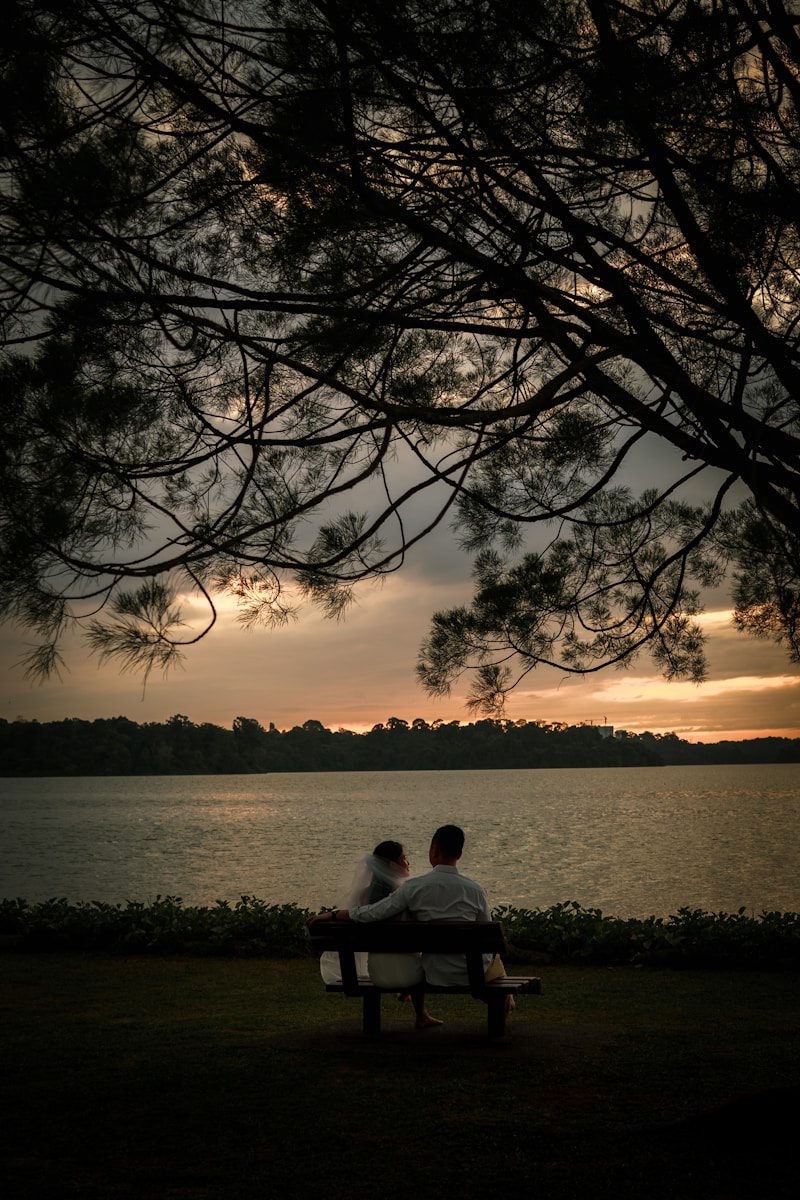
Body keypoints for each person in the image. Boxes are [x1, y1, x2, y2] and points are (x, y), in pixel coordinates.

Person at [338, 825, 511, 1012]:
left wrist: (339, 913)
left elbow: (375, 912)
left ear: (434, 850)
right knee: (495, 961)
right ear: (459, 854)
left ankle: (503, 1002)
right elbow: (486, 935)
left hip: (435, 973)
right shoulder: (476, 890)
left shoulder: (413, 887)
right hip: (473, 974)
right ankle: (504, 1004)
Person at [314, 839, 441, 1029]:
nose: (408, 863)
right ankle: (420, 1014)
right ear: (392, 864)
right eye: (404, 859)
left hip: (376, 969)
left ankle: (406, 996)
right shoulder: (402, 895)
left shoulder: (363, 895)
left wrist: (333, 914)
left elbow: (362, 917)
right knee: (416, 956)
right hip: (409, 970)